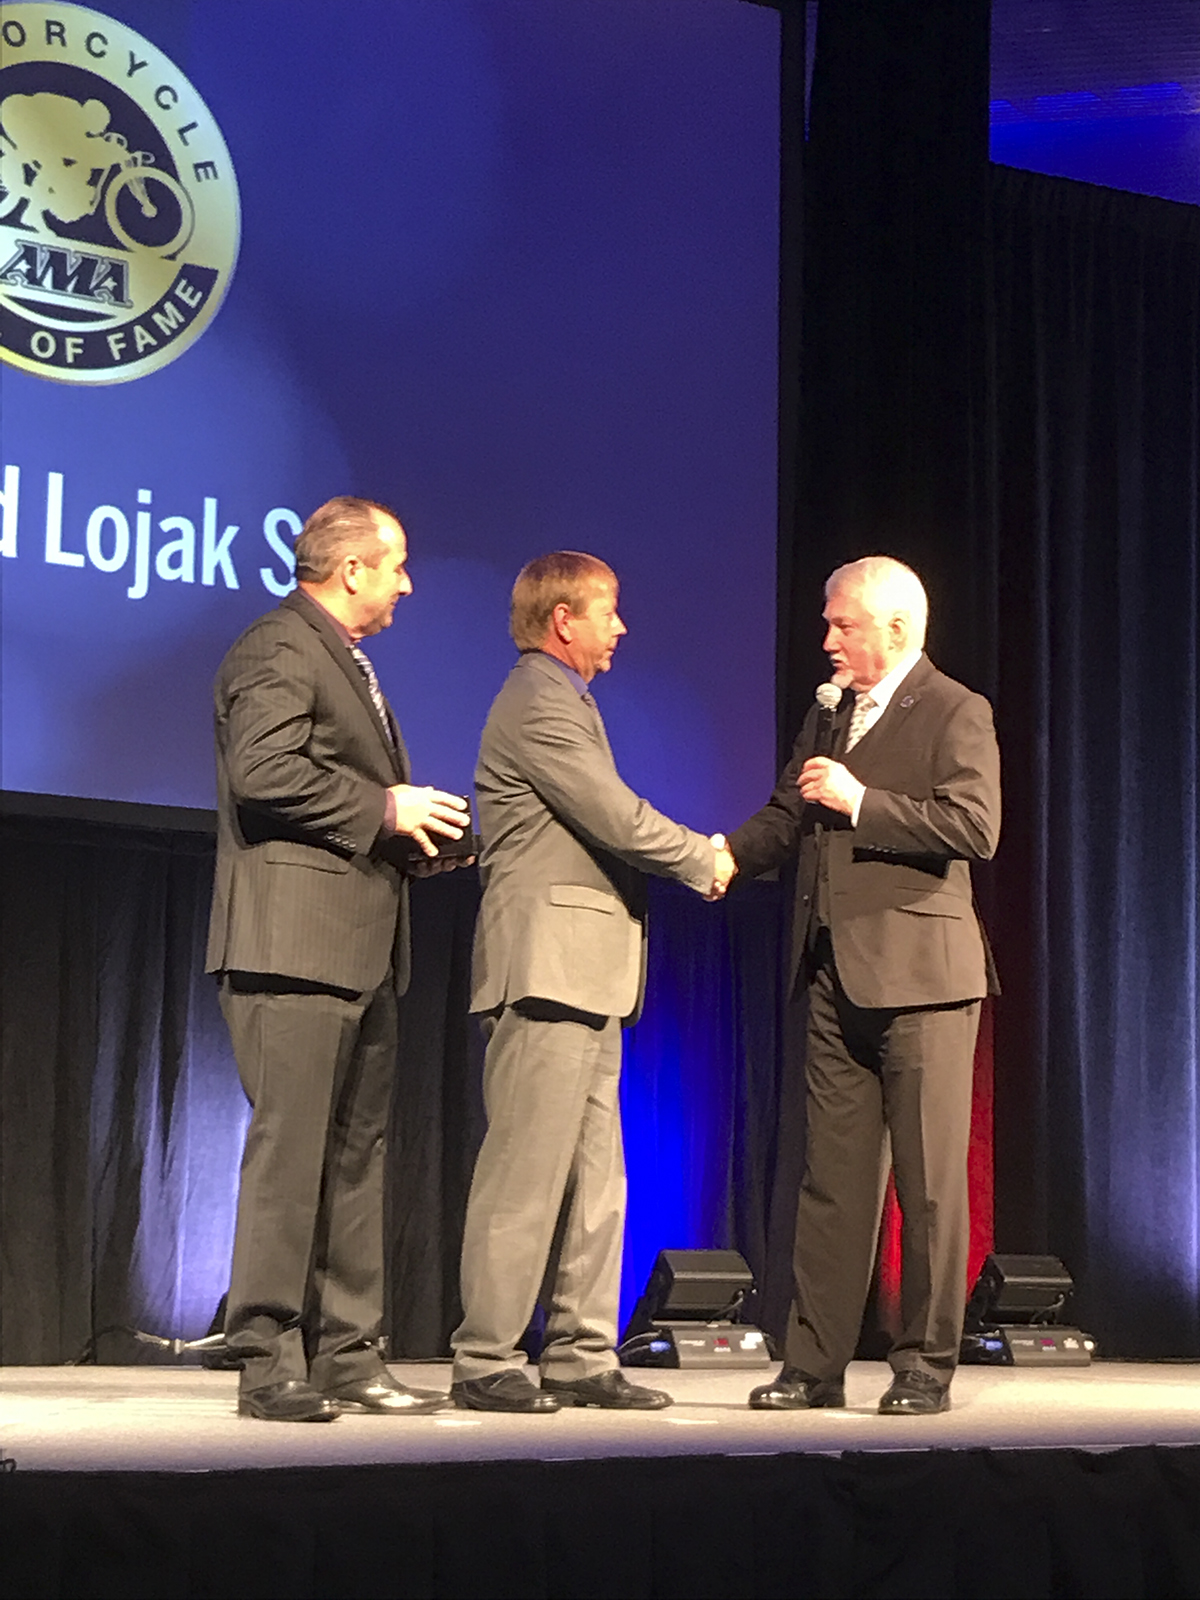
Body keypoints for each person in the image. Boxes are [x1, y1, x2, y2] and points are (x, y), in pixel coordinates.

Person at [449, 552, 736, 1413]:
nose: (620, 628)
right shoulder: (538, 698)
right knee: (524, 1175)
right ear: (563, 620)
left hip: (590, 976)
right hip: (545, 969)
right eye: (607, 611)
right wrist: (703, 859)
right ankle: (486, 1358)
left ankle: (580, 1354)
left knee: (598, 1179)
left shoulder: (568, 700)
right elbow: (610, 813)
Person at [206, 495, 470, 1422]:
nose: (405, 583)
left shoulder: (344, 661)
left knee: (359, 1157)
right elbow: (264, 774)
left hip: (358, 946)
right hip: (292, 947)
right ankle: (267, 1358)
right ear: (350, 568)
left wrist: (419, 838)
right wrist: (384, 810)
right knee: (291, 1155)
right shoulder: (279, 647)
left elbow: (327, 787)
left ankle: (352, 1354)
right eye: (395, 564)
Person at [726, 556, 1000, 1416]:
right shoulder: (829, 712)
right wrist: (721, 858)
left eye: (843, 625)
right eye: (829, 622)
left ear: (896, 628)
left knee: (926, 1185)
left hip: (923, 981)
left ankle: (925, 1365)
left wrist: (862, 800)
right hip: (831, 973)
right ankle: (813, 1365)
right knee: (831, 1184)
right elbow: (787, 813)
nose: (828, 640)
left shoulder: (956, 709)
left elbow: (975, 825)